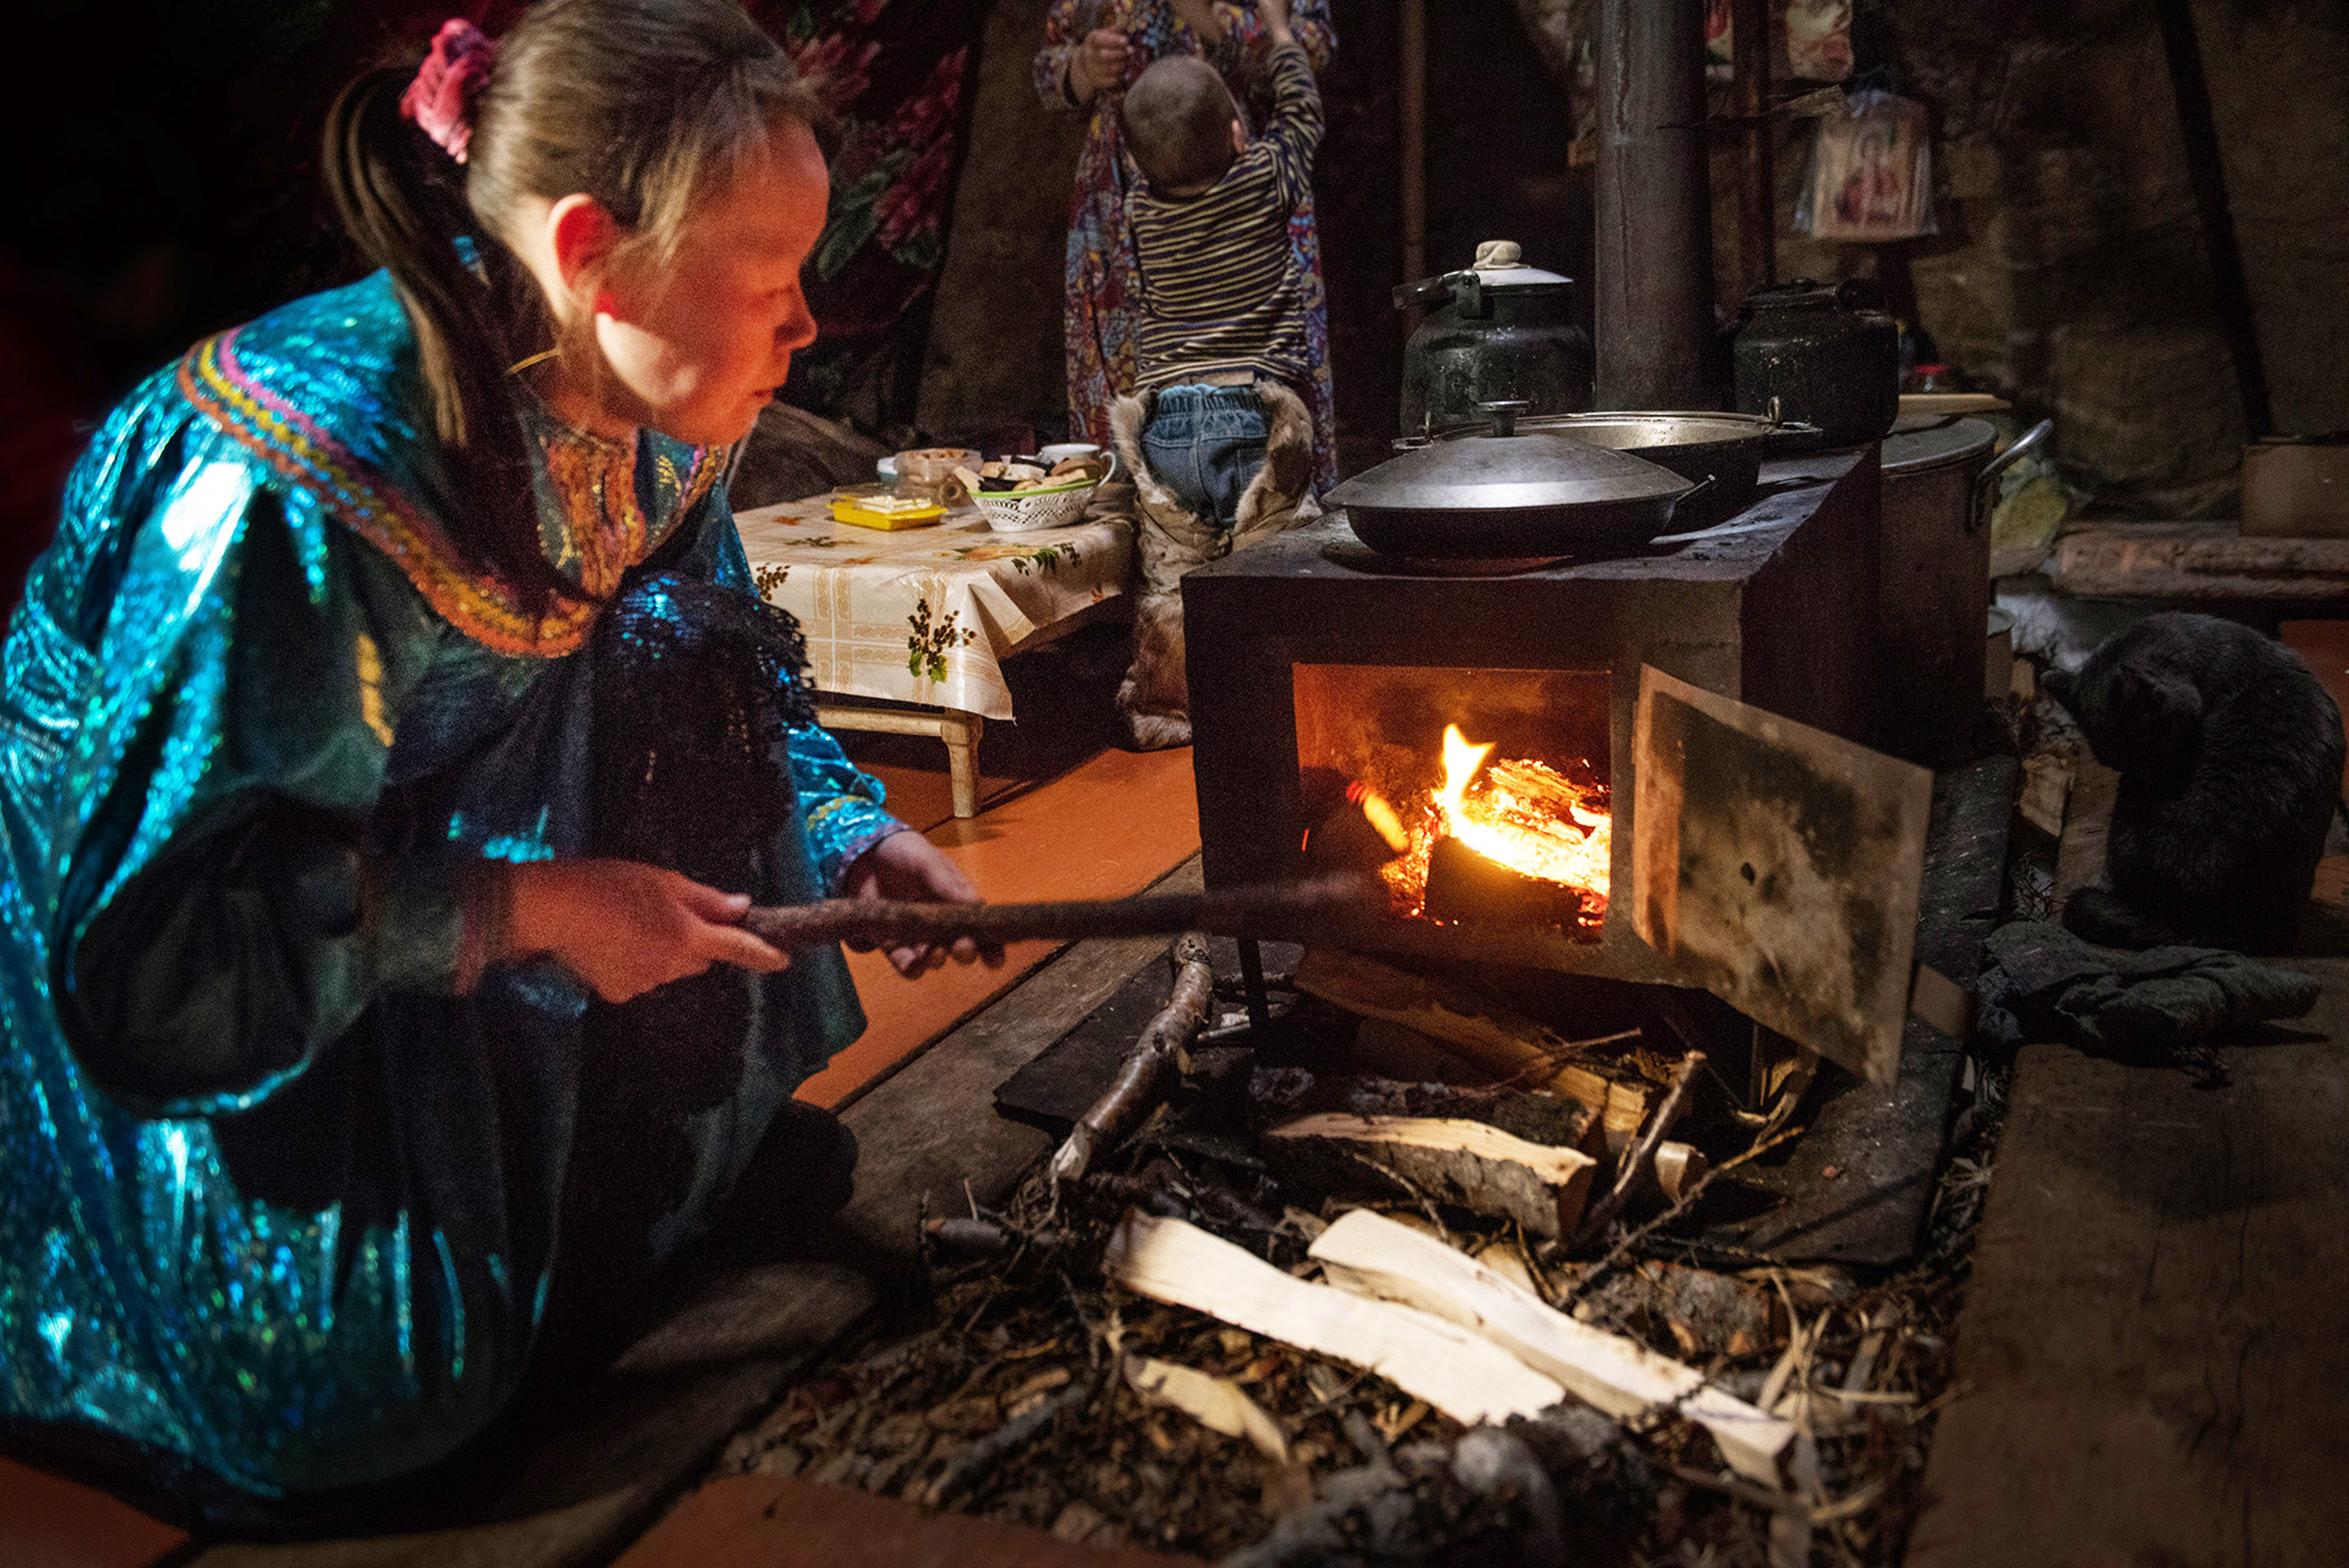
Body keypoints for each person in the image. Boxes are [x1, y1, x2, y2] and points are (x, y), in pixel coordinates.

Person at [0, 0, 996, 1523]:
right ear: (592, 248)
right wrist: (517, 912)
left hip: (439, 807)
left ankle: (623, 1168)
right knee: (384, 1389)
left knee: (669, 637)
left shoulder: (656, 400)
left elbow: (732, 653)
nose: (810, 326)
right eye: (778, 279)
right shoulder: (295, 482)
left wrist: (852, 827)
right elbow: (153, 949)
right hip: (177, 927)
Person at [1102, 0, 1321, 749]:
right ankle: (1297, 703)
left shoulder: (1138, 207)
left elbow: (1157, 153)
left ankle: (1170, 712)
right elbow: (1301, 115)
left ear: (1136, 164)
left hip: (1164, 427)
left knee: (1172, 583)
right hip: (1258, 416)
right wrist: (1282, 34)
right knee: (1282, 566)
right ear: (1238, 135)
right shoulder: (1265, 176)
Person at [1032, 0, 1336, 491]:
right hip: (1124, 194)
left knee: (1267, 445)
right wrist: (1081, 68)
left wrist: (1215, 21)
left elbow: (1314, 48)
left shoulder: (1254, 179)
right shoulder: (1134, 211)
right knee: (1135, 404)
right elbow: (1049, 69)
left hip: (1241, 185)